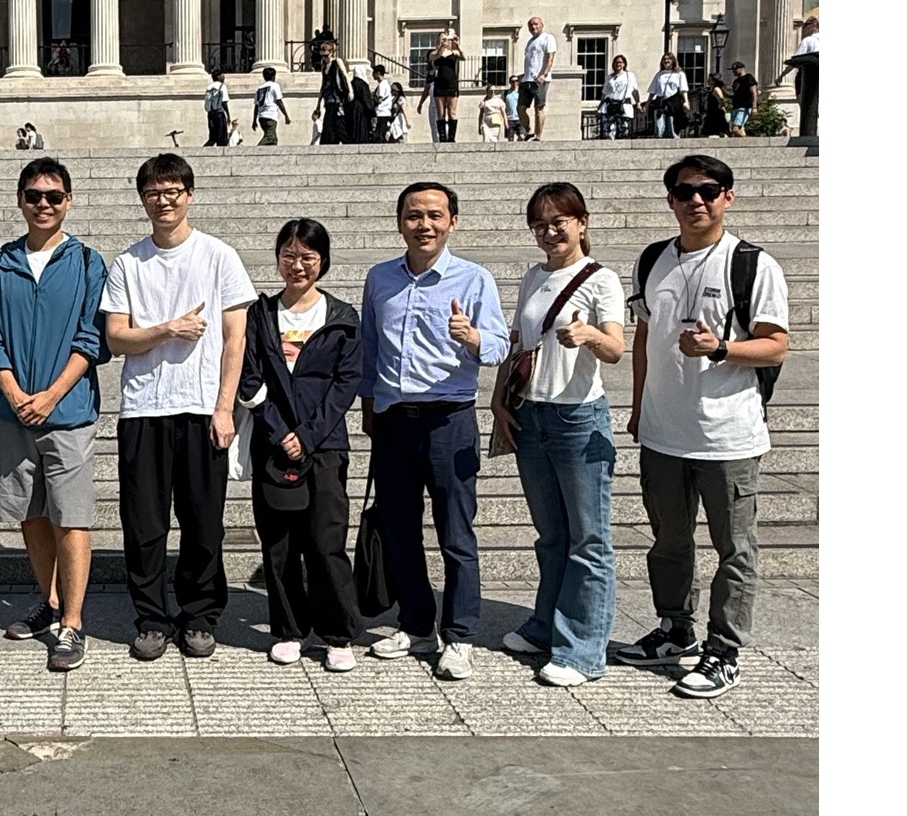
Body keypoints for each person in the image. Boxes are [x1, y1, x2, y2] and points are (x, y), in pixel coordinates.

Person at [619, 154, 791, 698]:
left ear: (728, 197)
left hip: (728, 435)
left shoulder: (751, 264)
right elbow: (644, 337)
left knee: (734, 547)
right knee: (668, 540)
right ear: (670, 199)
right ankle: (674, 628)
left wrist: (721, 347)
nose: (697, 200)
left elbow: (776, 344)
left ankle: (724, 649)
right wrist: (639, 404)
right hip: (665, 432)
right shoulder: (653, 260)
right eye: (685, 191)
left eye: (709, 190)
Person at [101, 154, 257, 660]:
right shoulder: (128, 262)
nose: (163, 200)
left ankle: (199, 615)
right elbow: (118, 338)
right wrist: (167, 328)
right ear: (142, 198)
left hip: (201, 406)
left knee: (203, 521)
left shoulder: (218, 256)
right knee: (144, 524)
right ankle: (150, 618)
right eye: (153, 192)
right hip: (143, 408)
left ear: (188, 194)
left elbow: (236, 341)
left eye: (172, 191)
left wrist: (225, 408)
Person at [360, 180, 510, 680]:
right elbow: (369, 349)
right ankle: (417, 622)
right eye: (413, 215)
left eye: (434, 216)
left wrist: (472, 338)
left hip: (449, 419)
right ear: (400, 221)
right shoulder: (380, 278)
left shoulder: (473, 279)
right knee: (400, 530)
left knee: (456, 535)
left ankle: (461, 634)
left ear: (452, 222)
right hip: (393, 421)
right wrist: (368, 408)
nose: (424, 225)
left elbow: (498, 348)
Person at [0, 156, 108, 675]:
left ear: (68, 201)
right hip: (12, 410)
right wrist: (14, 390)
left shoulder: (90, 263)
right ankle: (48, 601)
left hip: (67, 409)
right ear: (20, 201)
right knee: (29, 512)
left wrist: (49, 395)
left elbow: (91, 337)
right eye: (34, 195)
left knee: (70, 516)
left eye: (53, 196)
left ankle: (72, 621)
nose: (44, 204)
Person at [488, 184, 627, 686]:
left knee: (588, 540)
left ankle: (582, 651)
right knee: (551, 535)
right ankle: (545, 625)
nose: (549, 233)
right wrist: (500, 399)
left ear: (582, 223)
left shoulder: (601, 279)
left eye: (558, 222)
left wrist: (588, 335)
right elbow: (518, 343)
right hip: (532, 416)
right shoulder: (532, 277)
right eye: (539, 225)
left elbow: (615, 348)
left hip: (577, 419)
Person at [237, 219, 361, 672]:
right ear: (277, 259)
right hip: (272, 444)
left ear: (322, 261)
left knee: (326, 540)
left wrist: (306, 437)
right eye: (288, 255)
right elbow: (249, 380)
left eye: (307, 256)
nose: (297, 265)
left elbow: (345, 385)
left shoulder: (342, 318)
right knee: (280, 542)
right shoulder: (261, 314)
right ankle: (289, 629)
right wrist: (278, 431)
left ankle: (338, 633)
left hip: (325, 445)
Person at [517, 16, 557, 140]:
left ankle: (538, 136)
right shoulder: (530, 42)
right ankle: (529, 131)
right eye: (531, 25)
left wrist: (544, 74)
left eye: (536, 24)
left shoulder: (548, 38)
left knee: (538, 108)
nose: (533, 27)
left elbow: (550, 58)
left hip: (539, 80)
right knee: (520, 108)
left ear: (541, 25)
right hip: (527, 79)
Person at [419, 31, 462, 143]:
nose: (445, 41)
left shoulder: (454, 52)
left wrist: (457, 44)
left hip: (451, 83)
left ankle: (451, 138)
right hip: (440, 84)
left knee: (452, 112)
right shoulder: (433, 53)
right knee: (441, 113)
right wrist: (441, 47)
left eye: (446, 39)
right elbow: (436, 57)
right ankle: (442, 138)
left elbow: (463, 57)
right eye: (443, 39)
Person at [781, 15, 819, 137]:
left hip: (808, 76)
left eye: (806, 25)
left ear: (813, 26)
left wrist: (781, 76)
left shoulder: (808, 41)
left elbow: (796, 60)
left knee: (807, 105)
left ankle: (809, 132)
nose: (803, 28)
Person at [317, 38, 352, 145]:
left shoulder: (337, 62)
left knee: (335, 120)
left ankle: (342, 140)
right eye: (322, 55)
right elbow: (323, 85)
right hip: (328, 97)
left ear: (331, 53)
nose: (324, 58)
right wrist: (318, 104)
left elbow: (345, 76)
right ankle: (331, 141)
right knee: (330, 121)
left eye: (326, 55)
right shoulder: (324, 66)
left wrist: (350, 91)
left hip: (337, 97)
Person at [646, 54, 689, 139]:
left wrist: (686, 101)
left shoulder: (679, 74)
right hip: (661, 101)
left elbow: (684, 89)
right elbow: (653, 90)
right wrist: (648, 103)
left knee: (672, 124)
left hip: (674, 101)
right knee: (659, 125)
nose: (666, 61)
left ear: (673, 61)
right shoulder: (659, 74)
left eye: (668, 59)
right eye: (664, 59)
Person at [600, 55, 639, 141]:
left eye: (620, 62)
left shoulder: (629, 76)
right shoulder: (609, 77)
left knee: (623, 132)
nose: (618, 64)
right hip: (609, 106)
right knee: (608, 133)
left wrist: (638, 103)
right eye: (616, 62)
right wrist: (599, 106)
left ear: (624, 64)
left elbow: (635, 91)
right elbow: (604, 93)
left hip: (623, 106)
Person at [252, 68, 286, 147]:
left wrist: (254, 120)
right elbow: (279, 101)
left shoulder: (259, 88)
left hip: (261, 116)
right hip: (270, 115)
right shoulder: (274, 86)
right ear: (274, 77)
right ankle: (254, 151)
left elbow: (256, 106)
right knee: (270, 137)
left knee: (273, 140)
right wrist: (286, 115)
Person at [728, 63, 759, 134]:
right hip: (735, 107)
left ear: (742, 69)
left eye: (735, 69)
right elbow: (734, 95)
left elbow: (754, 92)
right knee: (735, 130)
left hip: (744, 107)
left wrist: (754, 107)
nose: (733, 71)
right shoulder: (736, 81)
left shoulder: (748, 77)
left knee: (735, 129)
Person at [204, 69, 231, 148]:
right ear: (219, 77)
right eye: (222, 75)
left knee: (213, 137)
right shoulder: (222, 86)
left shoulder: (209, 87)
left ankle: (205, 150)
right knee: (222, 137)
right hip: (219, 113)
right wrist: (228, 116)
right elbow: (224, 102)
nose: (223, 77)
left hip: (210, 114)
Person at [372, 65, 397, 142]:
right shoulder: (386, 83)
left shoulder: (382, 85)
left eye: (374, 72)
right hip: (385, 112)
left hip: (382, 112)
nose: (372, 74)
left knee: (379, 134)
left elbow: (380, 99)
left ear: (378, 73)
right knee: (381, 132)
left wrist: (372, 97)